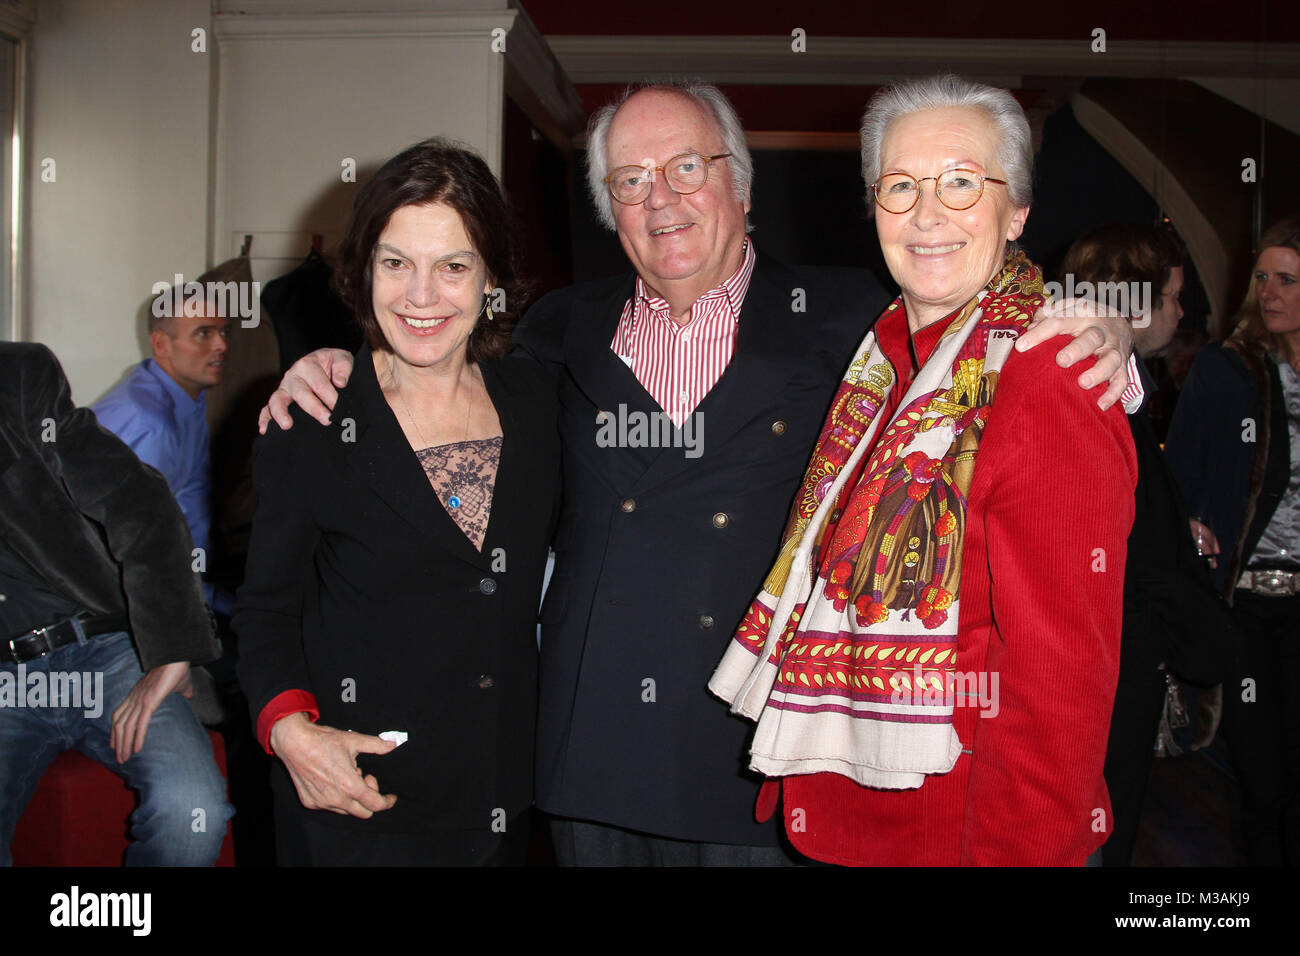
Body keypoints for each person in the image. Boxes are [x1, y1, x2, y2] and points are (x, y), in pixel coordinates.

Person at [262, 81, 1139, 866]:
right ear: (609, 209)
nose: (661, 199)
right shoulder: (555, 335)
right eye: (630, 180)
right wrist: (331, 363)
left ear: (743, 186)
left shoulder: (852, 321)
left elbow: (971, 327)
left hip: (754, 755)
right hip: (588, 758)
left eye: (688, 166)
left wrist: (1100, 325)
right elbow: (434, 344)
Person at [711, 74, 1137, 866]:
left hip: (959, 832)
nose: (929, 213)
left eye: (963, 183)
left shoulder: (1049, 371)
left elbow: (1063, 679)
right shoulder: (880, 357)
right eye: (901, 186)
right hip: (855, 822)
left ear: (1017, 213)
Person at [233, 138, 560, 866]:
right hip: (353, 797)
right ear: (363, 269)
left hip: (501, 798)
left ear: (491, 276)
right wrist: (290, 733)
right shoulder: (313, 415)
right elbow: (264, 611)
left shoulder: (540, 400)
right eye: (395, 263)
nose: (420, 296)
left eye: (453, 266)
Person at [0, 342, 230, 866]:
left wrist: (174, 647)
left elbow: (136, 497)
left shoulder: (16, 377)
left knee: (192, 811)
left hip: (99, 647)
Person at [1059, 222, 1235, 865]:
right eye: (1173, 296)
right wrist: (1209, 645)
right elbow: (1141, 554)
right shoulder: (1101, 383)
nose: (1182, 312)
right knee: (1106, 822)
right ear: (1137, 301)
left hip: (1096, 651)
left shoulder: (1115, 379)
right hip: (1106, 658)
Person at [1165, 215, 1300, 866]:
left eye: (1286, 280)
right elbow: (1179, 477)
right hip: (1242, 602)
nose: (1268, 292)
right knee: (1262, 776)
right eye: (1262, 278)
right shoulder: (1226, 370)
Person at [93, 292, 231, 608]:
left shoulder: (187, 401)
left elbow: (189, 504)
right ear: (161, 345)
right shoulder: (149, 423)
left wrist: (206, 596)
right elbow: (134, 545)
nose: (222, 345)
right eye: (203, 333)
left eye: (224, 331)